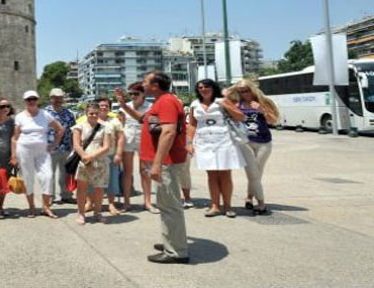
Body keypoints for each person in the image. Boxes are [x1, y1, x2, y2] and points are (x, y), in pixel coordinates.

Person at [116, 71, 189, 264]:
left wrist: (157, 164)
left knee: (170, 205)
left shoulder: (166, 102)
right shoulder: (161, 101)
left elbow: (168, 132)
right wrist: (124, 106)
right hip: (165, 162)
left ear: (155, 85)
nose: (142, 84)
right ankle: (172, 241)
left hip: (167, 163)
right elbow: (143, 120)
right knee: (166, 204)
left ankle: (176, 251)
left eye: (146, 81)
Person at [187, 79, 246, 218]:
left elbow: (240, 117)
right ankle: (214, 205)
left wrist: (226, 105)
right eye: (200, 87)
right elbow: (192, 124)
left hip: (224, 141)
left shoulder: (222, 101)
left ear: (213, 88)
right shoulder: (194, 104)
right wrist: (189, 142)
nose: (203, 89)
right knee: (211, 175)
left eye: (206, 86)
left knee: (225, 175)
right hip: (204, 142)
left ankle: (227, 205)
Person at [11, 90, 63, 218]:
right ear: (25, 102)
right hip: (24, 150)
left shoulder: (45, 115)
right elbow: (14, 138)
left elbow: (60, 129)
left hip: (42, 151)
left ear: (37, 100)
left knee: (48, 176)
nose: (31, 101)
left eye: (34, 99)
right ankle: (31, 207)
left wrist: (55, 144)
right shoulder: (20, 117)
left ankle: (46, 207)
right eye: (29, 99)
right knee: (28, 178)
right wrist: (13, 155)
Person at [232, 79, 279, 215]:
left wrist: (261, 109)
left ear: (252, 90)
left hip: (263, 142)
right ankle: (261, 203)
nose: (244, 94)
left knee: (257, 173)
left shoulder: (263, 102)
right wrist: (236, 86)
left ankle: (249, 197)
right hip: (245, 142)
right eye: (240, 91)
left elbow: (273, 120)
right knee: (252, 173)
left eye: (246, 90)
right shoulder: (237, 105)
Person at [72, 103, 114, 225]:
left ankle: (98, 212)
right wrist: (85, 157)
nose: (94, 115)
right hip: (83, 162)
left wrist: (92, 157)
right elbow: (76, 145)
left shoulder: (105, 127)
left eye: (96, 113)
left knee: (99, 189)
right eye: (91, 113)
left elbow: (106, 147)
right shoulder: (78, 127)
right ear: (86, 114)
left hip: (100, 162)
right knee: (82, 189)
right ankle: (81, 213)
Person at [120, 82, 158, 213]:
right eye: (130, 94)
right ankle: (126, 202)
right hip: (128, 138)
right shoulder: (125, 106)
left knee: (145, 171)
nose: (133, 96)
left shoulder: (150, 106)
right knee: (127, 172)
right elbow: (121, 125)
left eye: (136, 93)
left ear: (143, 94)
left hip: (144, 139)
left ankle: (147, 202)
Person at [44, 88, 76, 205]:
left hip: (66, 148)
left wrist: (74, 147)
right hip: (49, 149)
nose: (58, 100)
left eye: (60, 98)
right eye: (55, 98)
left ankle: (66, 195)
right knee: (49, 175)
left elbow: (74, 131)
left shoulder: (69, 114)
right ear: (50, 98)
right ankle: (50, 197)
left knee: (66, 174)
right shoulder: (44, 113)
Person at [96, 97, 125, 216]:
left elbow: (121, 138)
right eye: (101, 105)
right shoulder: (91, 118)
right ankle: (90, 203)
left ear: (109, 108)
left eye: (106, 106)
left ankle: (111, 204)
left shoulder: (115, 121)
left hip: (111, 155)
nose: (103, 107)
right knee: (93, 181)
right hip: (95, 156)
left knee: (112, 181)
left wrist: (118, 154)